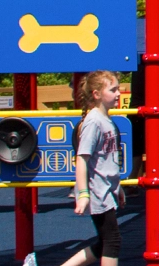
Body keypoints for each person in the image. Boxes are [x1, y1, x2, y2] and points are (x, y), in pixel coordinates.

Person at [54, 71, 125, 266]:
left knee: (105, 242)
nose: (119, 93)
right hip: (97, 191)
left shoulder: (106, 119)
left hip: (106, 189)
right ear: (96, 94)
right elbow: (82, 159)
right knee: (112, 240)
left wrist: (118, 188)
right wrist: (83, 193)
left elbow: (107, 161)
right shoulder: (93, 122)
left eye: (118, 88)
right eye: (113, 90)